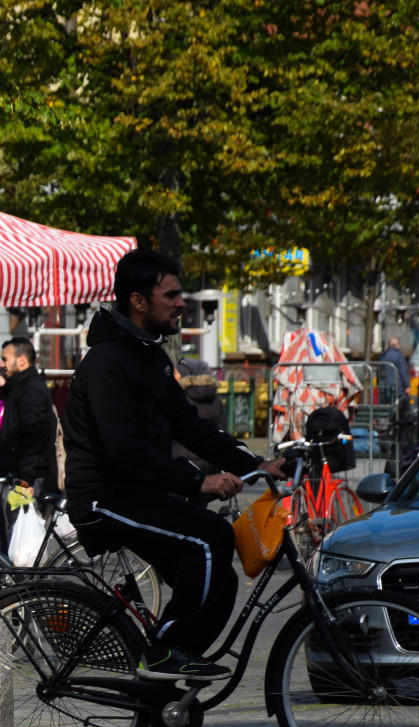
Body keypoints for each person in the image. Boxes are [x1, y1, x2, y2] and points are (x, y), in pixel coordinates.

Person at [63, 249, 285, 682]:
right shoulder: (107, 363)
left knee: (218, 580)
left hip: (137, 491)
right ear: (138, 301)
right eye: (173, 295)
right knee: (209, 538)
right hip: (102, 498)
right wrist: (198, 482)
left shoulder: (149, 357)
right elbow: (124, 450)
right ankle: (162, 651)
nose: (182, 303)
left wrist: (259, 464)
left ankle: (165, 690)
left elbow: (191, 427)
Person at [0, 336, 58, 491]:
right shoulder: (20, 388)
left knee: (22, 516)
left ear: (21, 360)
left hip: (26, 480)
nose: (1, 365)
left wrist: (26, 480)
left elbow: (32, 438)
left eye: (5, 359)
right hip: (16, 476)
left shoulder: (31, 389)